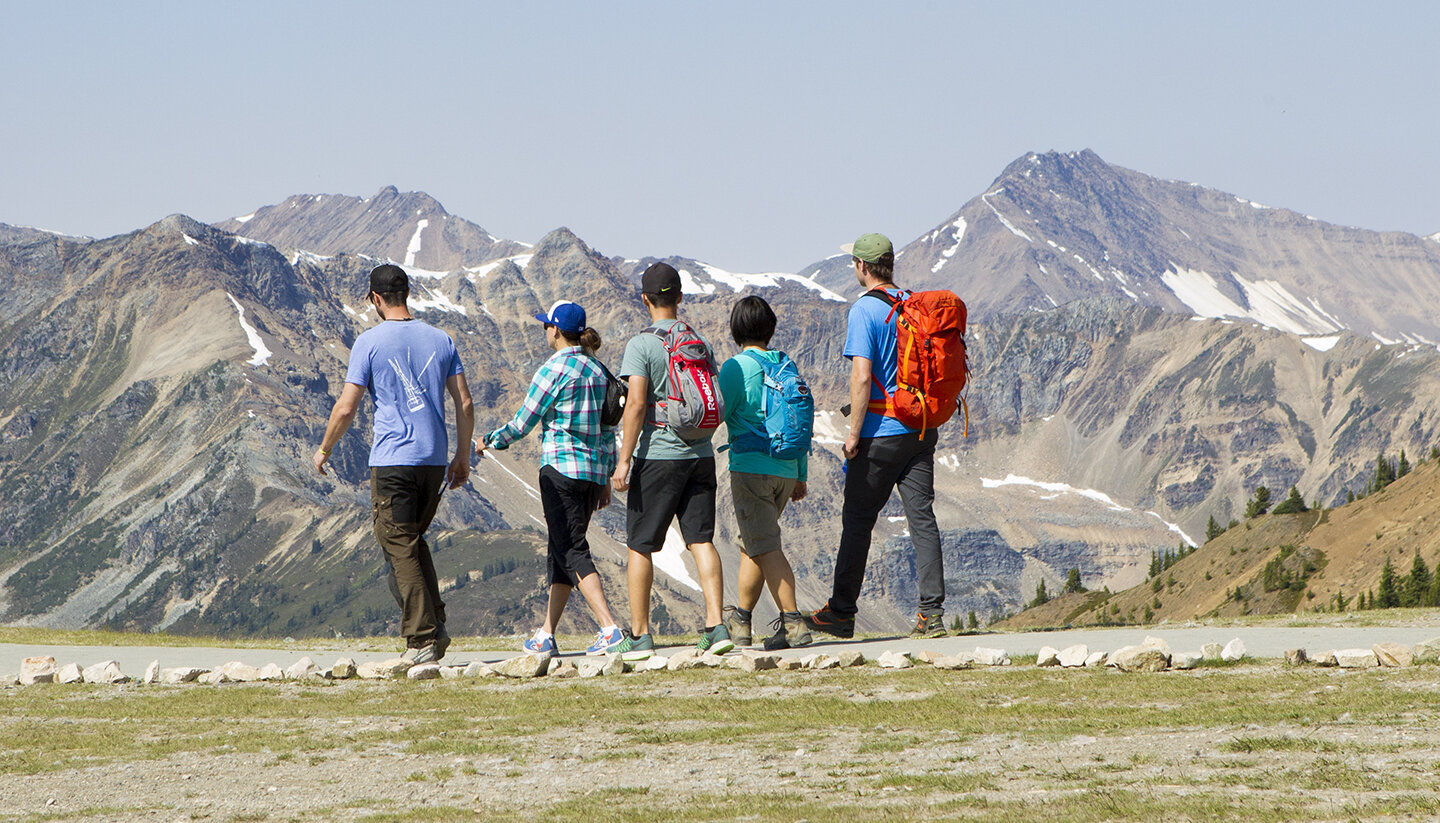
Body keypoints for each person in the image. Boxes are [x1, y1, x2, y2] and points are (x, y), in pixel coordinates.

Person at [314, 264, 474, 664]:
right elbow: (465, 402)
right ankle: (435, 628)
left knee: (398, 547)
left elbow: (347, 406)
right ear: (408, 294)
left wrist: (325, 448)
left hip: (392, 460)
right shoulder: (442, 339)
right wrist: (462, 456)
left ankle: (421, 641)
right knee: (411, 543)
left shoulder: (369, 342)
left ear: (374, 299)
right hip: (434, 460)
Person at [804, 233, 948, 639]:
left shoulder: (864, 310)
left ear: (862, 267)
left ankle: (842, 612)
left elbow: (862, 376)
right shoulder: (913, 304)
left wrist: (853, 435)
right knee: (923, 519)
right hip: (920, 429)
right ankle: (930, 614)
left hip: (880, 434)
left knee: (858, 522)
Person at [475, 300, 626, 657]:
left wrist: (489, 441)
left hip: (560, 471)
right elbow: (607, 430)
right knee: (560, 550)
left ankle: (610, 628)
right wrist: (604, 477)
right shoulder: (598, 370)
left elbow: (522, 423)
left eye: (546, 325)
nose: (545, 330)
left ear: (556, 330)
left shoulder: (553, 369)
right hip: (591, 474)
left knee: (571, 549)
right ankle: (547, 634)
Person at [610, 262, 733, 660]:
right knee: (701, 540)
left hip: (658, 456)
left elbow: (636, 404)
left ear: (645, 299)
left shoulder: (641, 344)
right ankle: (716, 626)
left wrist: (624, 461)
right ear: (679, 297)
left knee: (640, 545)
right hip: (700, 455)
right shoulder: (699, 342)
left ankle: (641, 636)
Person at [718, 296, 814, 650]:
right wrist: (800, 473)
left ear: (736, 328)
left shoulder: (736, 367)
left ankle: (794, 622)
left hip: (752, 469)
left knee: (766, 546)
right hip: (787, 470)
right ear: (771, 328)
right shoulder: (785, 365)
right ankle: (741, 622)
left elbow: (717, 413)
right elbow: (798, 421)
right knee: (752, 544)